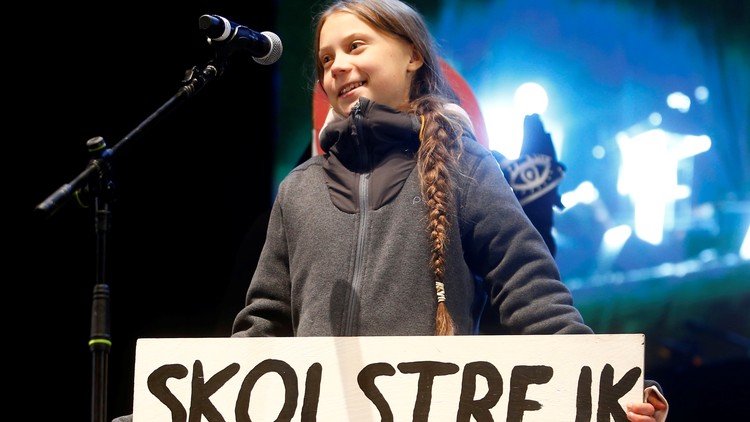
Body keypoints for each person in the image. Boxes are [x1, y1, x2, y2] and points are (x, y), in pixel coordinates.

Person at [114, 0, 667, 420]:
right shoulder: (298, 190)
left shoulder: (467, 167)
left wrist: (612, 385)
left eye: (356, 47)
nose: (337, 67)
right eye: (326, 58)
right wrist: (179, 405)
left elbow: (534, 295)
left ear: (412, 55)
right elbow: (261, 326)